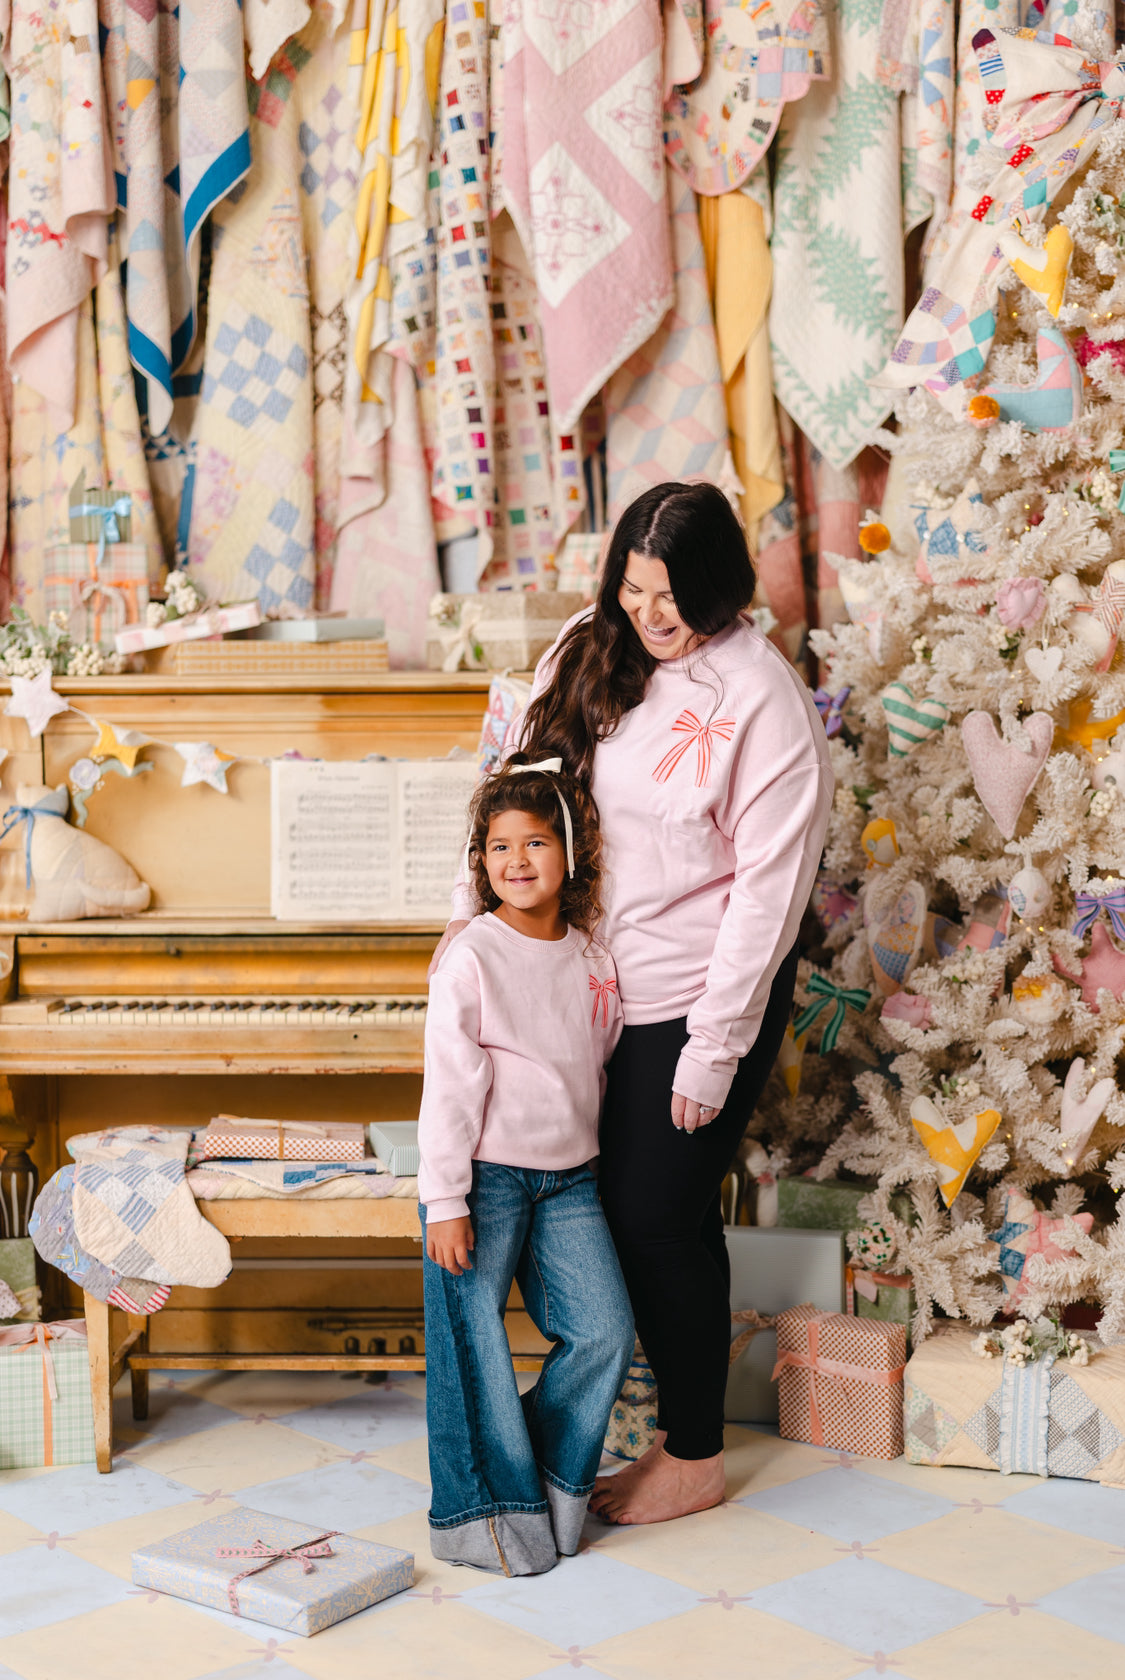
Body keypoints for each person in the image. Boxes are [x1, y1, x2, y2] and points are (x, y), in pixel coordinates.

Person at [436, 480, 833, 1527]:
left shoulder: (764, 700)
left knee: (649, 1217)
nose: (651, 615)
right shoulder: (590, 643)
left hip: (699, 995)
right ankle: (662, 1426)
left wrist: (714, 1050)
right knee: (639, 1216)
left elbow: (770, 894)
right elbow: (514, 793)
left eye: (672, 597)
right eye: (634, 587)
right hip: (580, 985)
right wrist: (472, 931)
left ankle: (693, 1454)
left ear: (722, 589)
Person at [418, 755, 634, 1576]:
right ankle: (484, 1516)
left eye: (535, 842)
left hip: (570, 1178)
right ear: (480, 861)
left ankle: (540, 1485)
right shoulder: (470, 955)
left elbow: (599, 1060)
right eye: (498, 846)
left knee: (602, 1332)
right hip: (485, 1178)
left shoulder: (591, 957)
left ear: (569, 856)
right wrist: (444, 1198)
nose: (515, 860)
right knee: (473, 1344)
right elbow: (448, 1083)